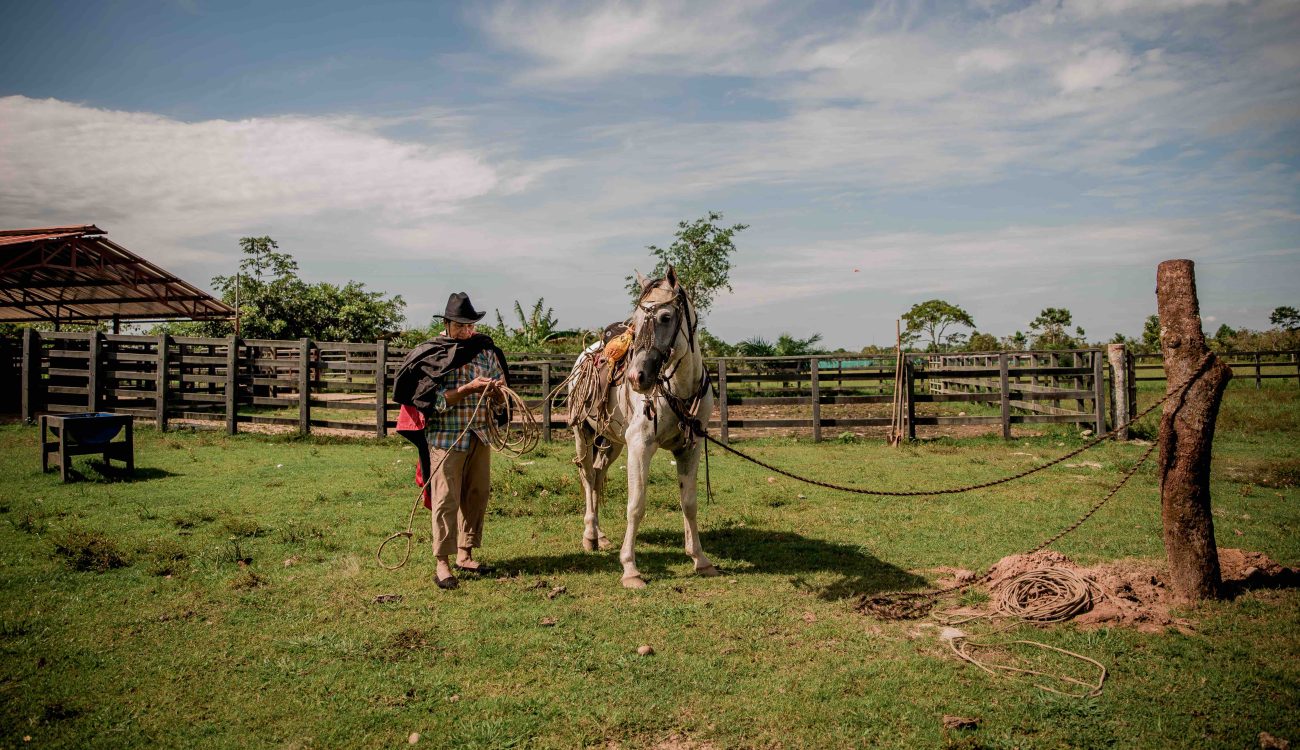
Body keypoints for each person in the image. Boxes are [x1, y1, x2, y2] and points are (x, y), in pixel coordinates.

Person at [392, 292, 508, 590]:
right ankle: (442, 562)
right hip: (446, 437)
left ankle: (465, 553)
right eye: (461, 326)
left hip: (480, 433)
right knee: (446, 499)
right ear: (447, 323)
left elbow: (502, 390)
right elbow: (431, 404)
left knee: (477, 492)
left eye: (471, 326)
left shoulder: (485, 351)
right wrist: (468, 389)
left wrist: (497, 394)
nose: (467, 331)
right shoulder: (433, 356)